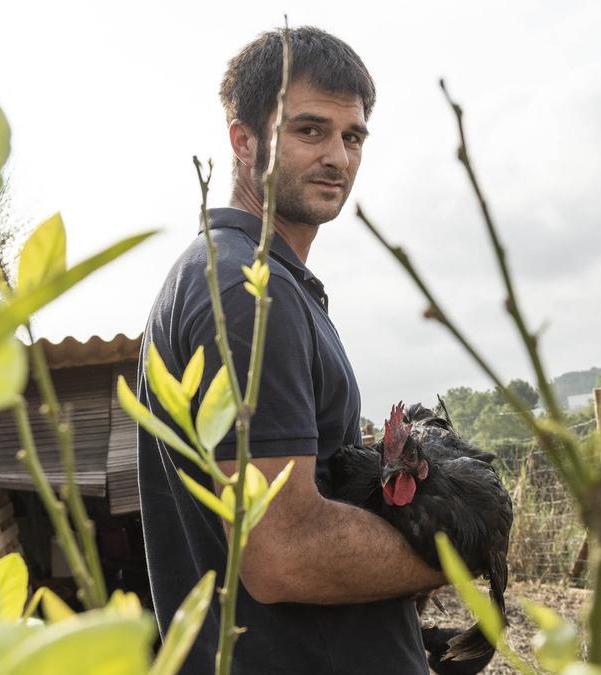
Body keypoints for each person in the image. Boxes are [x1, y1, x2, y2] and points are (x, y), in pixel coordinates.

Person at [137, 26, 445, 674]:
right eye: (310, 130)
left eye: (352, 135)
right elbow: (285, 551)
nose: (338, 155)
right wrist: (450, 551)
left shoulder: (243, 279)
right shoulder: (247, 292)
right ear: (243, 141)